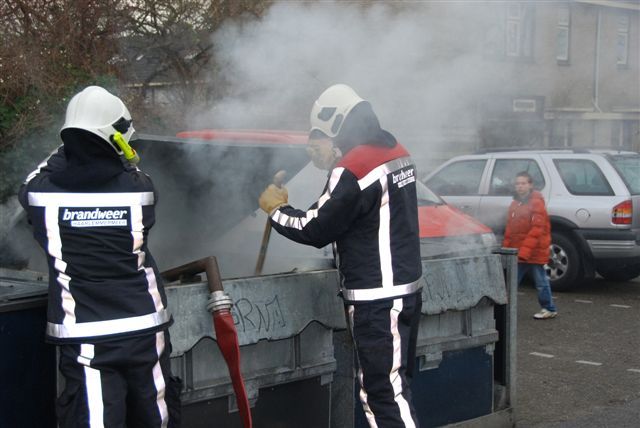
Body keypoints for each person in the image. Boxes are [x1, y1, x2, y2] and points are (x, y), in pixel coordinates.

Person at [259, 84, 423, 427]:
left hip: (376, 300)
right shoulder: (396, 150)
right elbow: (361, 216)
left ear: (335, 127)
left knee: (381, 394)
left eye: (317, 137)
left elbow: (315, 228)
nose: (313, 147)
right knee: (396, 386)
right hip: (405, 290)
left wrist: (276, 210)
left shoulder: (353, 168)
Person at [19, 86, 181, 427]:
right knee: (156, 417)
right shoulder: (140, 190)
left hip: (86, 336)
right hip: (144, 331)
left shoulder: (41, 197)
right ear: (116, 139)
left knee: (96, 419)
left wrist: (67, 144)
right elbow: (130, 167)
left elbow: (35, 176)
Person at [503, 171, 558, 319]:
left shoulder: (536, 202)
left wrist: (525, 251)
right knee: (511, 281)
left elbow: (537, 229)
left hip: (533, 251)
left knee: (540, 281)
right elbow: (510, 228)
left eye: (523, 183)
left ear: (530, 185)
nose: (520, 186)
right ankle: (504, 309)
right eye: (517, 183)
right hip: (519, 251)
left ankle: (549, 308)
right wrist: (506, 249)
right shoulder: (515, 203)